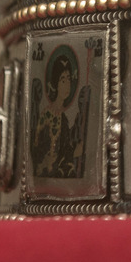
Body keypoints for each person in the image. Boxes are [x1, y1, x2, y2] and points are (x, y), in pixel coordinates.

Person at [31, 46, 88, 179]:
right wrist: (74, 153)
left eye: (69, 79)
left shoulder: (63, 118)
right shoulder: (47, 116)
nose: (67, 84)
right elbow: (42, 152)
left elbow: (65, 147)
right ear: (55, 84)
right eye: (63, 80)